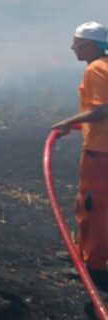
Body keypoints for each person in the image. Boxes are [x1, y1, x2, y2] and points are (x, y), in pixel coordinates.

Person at [51, 22, 108, 287]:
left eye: (77, 42)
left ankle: (93, 265)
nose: (72, 47)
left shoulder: (96, 69)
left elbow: (101, 109)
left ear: (91, 45)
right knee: (88, 203)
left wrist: (67, 122)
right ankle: (82, 252)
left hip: (101, 151)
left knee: (94, 207)